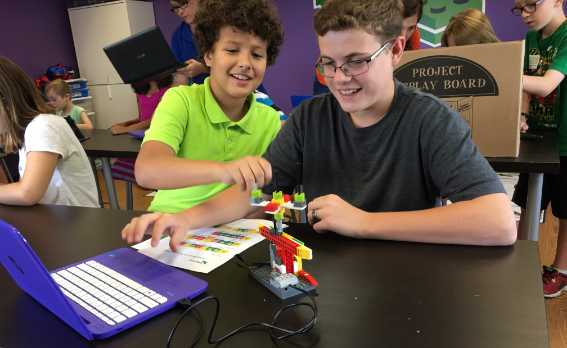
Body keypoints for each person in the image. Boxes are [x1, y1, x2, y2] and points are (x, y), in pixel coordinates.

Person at [122, 0, 516, 251]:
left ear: (395, 50)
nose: (340, 77)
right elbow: (255, 193)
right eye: (328, 63)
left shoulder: (429, 119)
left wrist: (363, 223)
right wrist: (185, 218)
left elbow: (497, 223)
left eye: (357, 61)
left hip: (406, 281)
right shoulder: (309, 119)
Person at [120, 0, 283, 217]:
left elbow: (261, 196)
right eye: (232, 50)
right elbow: (147, 170)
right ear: (208, 56)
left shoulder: (270, 120)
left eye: (257, 54)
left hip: (234, 232)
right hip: (170, 222)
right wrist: (225, 170)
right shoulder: (181, 100)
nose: (245, 62)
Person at [511, 0, 567, 298]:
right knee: (528, 200)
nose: (525, 14)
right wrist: (521, 115)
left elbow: (546, 85)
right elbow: (525, 92)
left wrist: (500, 72)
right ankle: (521, 262)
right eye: (518, 8)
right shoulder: (530, 40)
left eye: (531, 4)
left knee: (565, 210)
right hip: (537, 137)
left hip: (565, 139)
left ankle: (560, 270)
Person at [0, 57, 98, 207]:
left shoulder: (43, 126)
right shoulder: (28, 133)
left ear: (7, 101)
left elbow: (27, 193)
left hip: (77, 226)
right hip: (52, 221)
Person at [313, 0, 423, 95]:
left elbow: (408, 67)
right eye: (398, 27)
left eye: (411, 27)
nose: (403, 34)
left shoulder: (413, 36)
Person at [110, 76, 172, 183]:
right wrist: (123, 124)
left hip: (158, 137)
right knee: (115, 164)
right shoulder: (140, 93)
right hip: (141, 136)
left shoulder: (167, 91)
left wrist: (123, 129)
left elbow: (153, 120)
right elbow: (142, 118)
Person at [169, 0, 209, 85]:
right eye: (175, 8)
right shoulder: (177, 36)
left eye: (183, 4)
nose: (180, 12)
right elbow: (180, 76)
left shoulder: (220, 28)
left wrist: (203, 68)